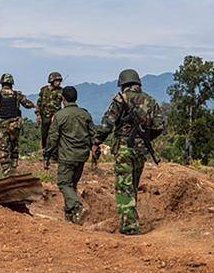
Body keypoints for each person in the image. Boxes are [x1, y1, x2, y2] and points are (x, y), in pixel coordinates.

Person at [93, 69, 163, 235]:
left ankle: (130, 227)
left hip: (124, 149)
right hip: (141, 151)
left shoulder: (121, 99)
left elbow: (107, 125)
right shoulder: (151, 101)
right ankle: (131, 219)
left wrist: (96, 142)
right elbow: (160, 125)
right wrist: (145, 137)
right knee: (133, 185)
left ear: (123, 84)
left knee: (124, 188)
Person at [43, 86, 95, 224]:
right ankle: (72, 218)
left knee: (64, 184)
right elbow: (93, 135)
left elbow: (52, 138)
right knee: (72, 185)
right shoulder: (85, 114)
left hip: (67, 156)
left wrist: (47, 155)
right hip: (82, 156)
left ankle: (77, 207)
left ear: (63, 99)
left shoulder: (60, 116)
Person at [0, 73, 35, 176]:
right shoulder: (17, 95)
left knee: (4, 147)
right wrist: (36, 107)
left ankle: (6, 169)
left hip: (2, 125)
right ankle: (14, 167)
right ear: (12, 83)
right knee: (14, 146)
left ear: (2, 83)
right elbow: (27, 104)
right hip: (14, 125)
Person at [36, 72, 64, 150]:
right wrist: (38, 115)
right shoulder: (44, 90)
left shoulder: (61, 91)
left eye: (59, 81)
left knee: (55, 136)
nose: (59, 83)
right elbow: (39, 103)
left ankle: (54, 153)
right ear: (52, 80)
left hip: (56, 117)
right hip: (45, 117)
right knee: (44, 135)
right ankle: (45, 151)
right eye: (57, 81)